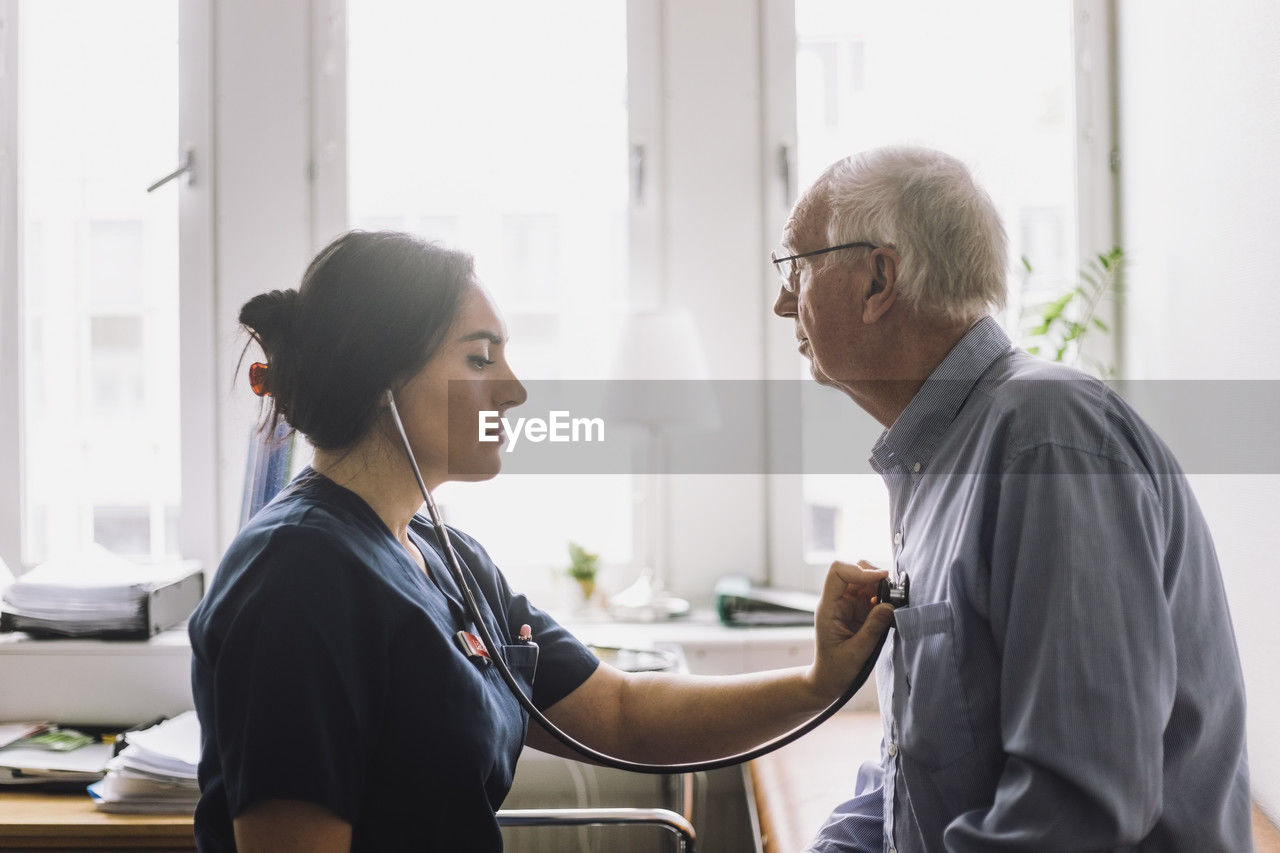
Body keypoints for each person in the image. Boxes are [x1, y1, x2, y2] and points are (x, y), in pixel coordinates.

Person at [188, 229, 895, 853]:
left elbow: (623, 715)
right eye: (479, 357)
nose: (516, 389)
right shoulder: (296, 577)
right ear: (382, 377)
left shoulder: (445, 557)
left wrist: (817, 682)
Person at [771, 146, 1251, 852]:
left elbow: (1078, 809)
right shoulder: (944, 459)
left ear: (879, 279)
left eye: (798, 267)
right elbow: (914, 775)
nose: (784, 301)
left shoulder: (1046, 439)